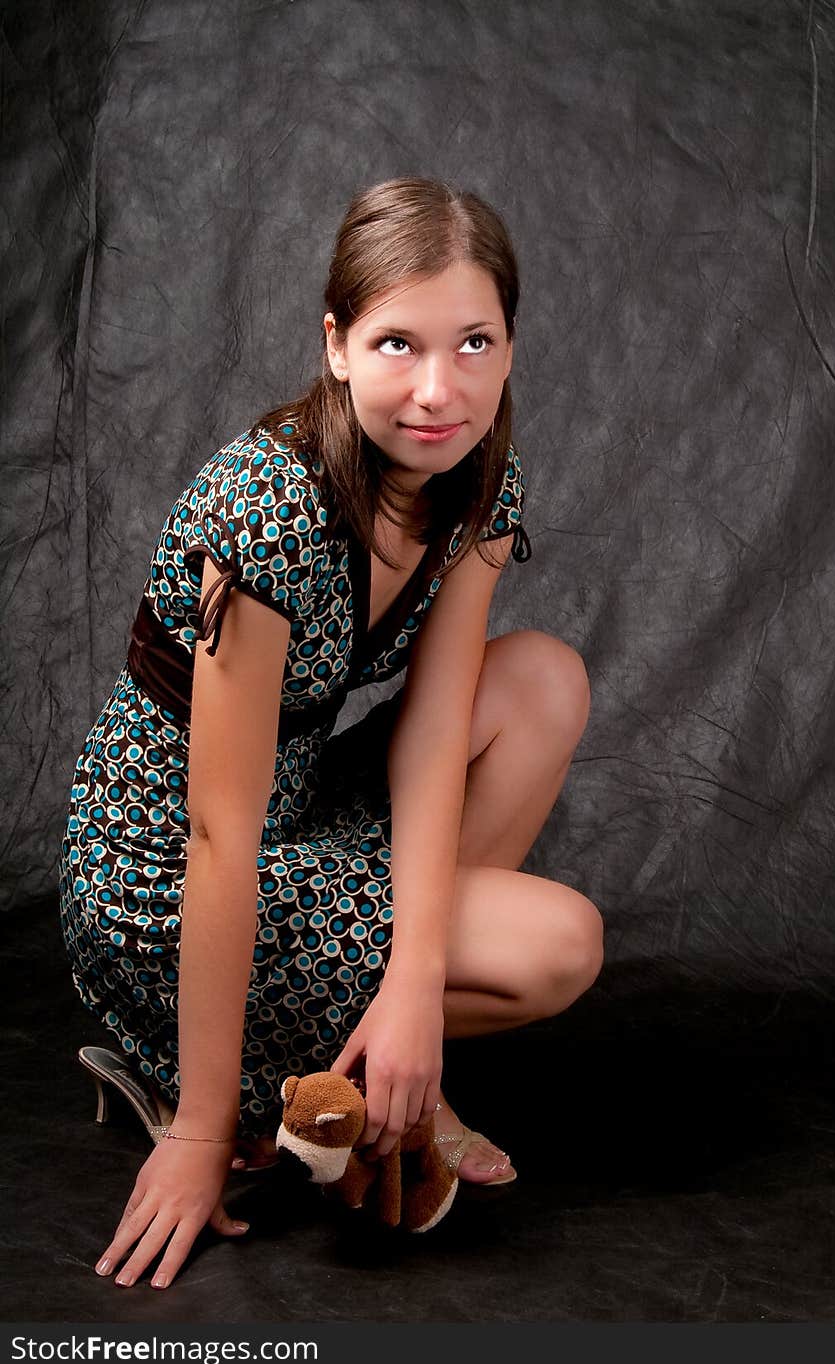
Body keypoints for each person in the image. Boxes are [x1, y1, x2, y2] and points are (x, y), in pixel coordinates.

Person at [59, 175, 604, 1290]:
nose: (438, 389)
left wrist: (413, 978)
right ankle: (217, 1088)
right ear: (337, 345)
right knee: (560, 942)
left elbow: (435, 724)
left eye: (474, 342)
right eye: (398, 342)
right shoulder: (267, 513)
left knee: (542, 681)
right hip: (162, 871)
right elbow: (218, 832)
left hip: (291, 813)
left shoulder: (475, 473)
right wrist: (200, 1138)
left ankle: (362, 1059)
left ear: (509, 346)